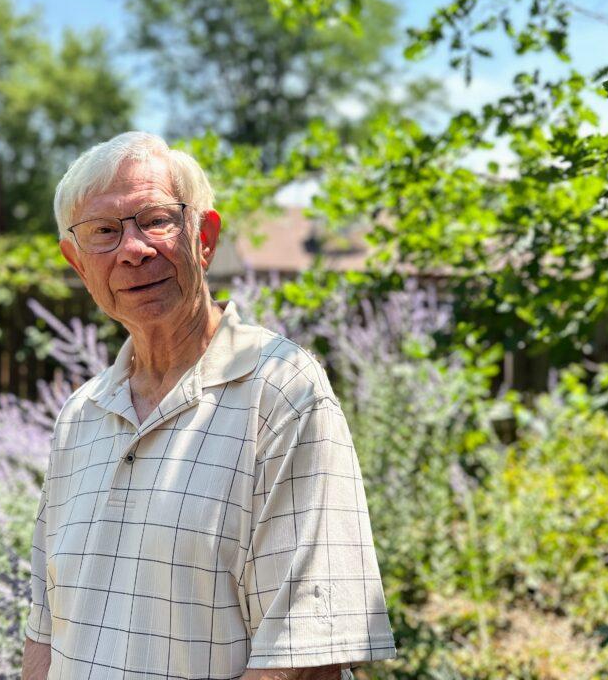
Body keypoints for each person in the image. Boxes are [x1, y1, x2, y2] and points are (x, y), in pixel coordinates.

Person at [22, 132, 396, 680]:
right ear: (78, 264)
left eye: (155, 220)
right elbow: (45, 628)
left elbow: (302, 656)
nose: (133, 249)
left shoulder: (280, 390)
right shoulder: (82, 415)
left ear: (204, 238)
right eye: (103, 232)